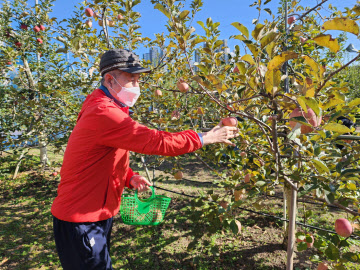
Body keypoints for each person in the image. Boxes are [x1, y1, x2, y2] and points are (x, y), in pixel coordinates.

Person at [51, 49, 239, 270]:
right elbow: (156, 142)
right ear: (110, 80)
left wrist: (129, 177)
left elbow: (104, 155)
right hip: (81, 218)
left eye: (138, 79)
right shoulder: (104, 112)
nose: (136, 85)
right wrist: (205, 137)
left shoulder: (105, 106)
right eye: (131, 79)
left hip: (94, 212)